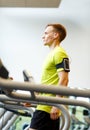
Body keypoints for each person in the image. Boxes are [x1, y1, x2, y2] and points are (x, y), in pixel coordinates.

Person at [29, 23, 70, 130]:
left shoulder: (60, 53)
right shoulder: (51, 54)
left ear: (55, 35)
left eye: (46, 33)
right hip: (43, 105)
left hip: (48, 107)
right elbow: (47, 82)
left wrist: (56, 105)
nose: (43, 36)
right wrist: (32, 98)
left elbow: (64, 79)